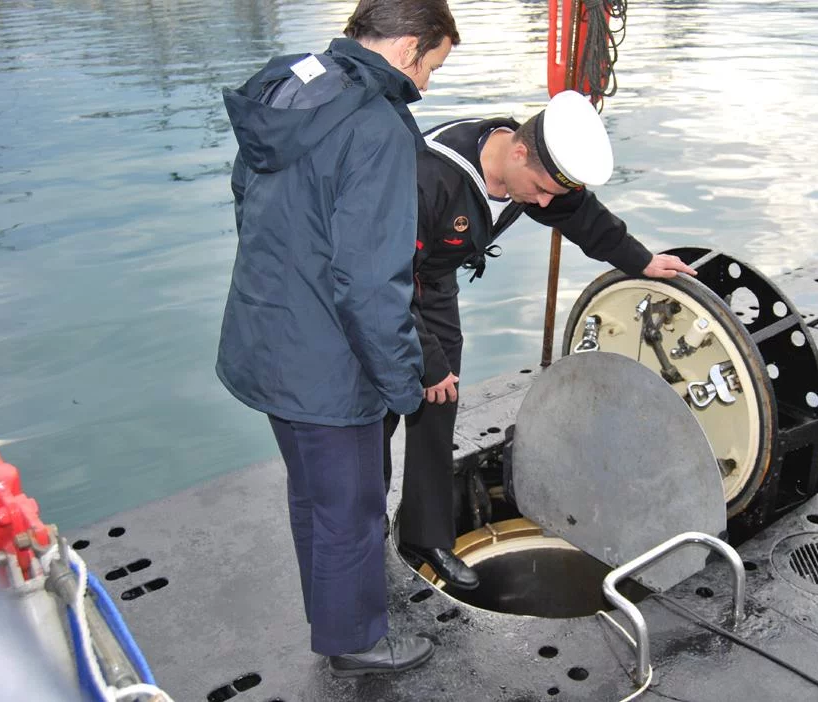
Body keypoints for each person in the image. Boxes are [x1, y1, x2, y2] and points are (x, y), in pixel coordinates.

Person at [215, 0, 459, 678]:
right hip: (326, 361)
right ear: (410, 46)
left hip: (265, 335)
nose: (428, 86)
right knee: (350, 507)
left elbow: (246, 198)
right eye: (432, 68)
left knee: (313, 497)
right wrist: (403, 383)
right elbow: (370, 281)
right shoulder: (376, 125)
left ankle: (333, 614)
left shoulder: (288, 85)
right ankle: (355, 641)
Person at [385, 90, 696, 590]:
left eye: (553, 193)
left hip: (434, 282)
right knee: (381, 408)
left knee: (439, 405)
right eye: (541, 189)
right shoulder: (428, 175)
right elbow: (382, 282)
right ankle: (369, 530)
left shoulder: (531, 168)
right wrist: (426, 359)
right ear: (517, 153)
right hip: (388, 288)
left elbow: (580, 214)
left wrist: (640, 260)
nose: (545, 202)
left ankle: (427, 534)